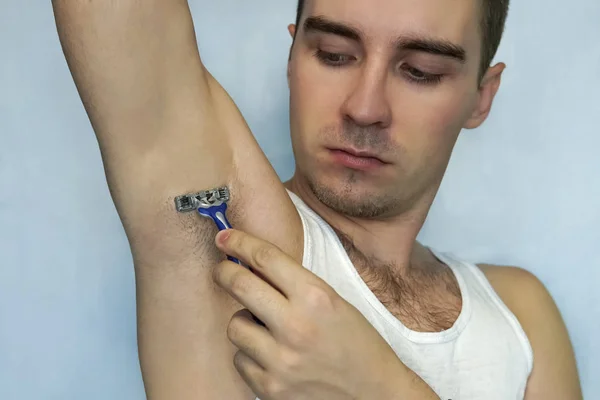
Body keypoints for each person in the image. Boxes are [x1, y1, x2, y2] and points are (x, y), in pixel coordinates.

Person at [52, 0, 582, 399]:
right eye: (333, 55)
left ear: (480, 96)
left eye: (421, 70)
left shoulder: (520, 311)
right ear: (292, 57)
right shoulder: (237, 234)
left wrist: (382, 387)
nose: (365, 107)